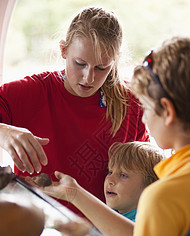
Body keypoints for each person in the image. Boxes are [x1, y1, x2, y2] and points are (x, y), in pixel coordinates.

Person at [41, 36, 190, 236]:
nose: (145, 118)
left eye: (146, 108)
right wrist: (74, 193)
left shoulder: (163, 197)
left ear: (167, 112)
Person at [0, 7, 149, 216]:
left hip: (106, 235)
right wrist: (3, 132)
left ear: (115, 61)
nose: (88, 78)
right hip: (37, 226)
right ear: (63, 50)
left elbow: (147, 179)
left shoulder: (132, 104)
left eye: (101, 68)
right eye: (80, 63)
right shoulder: (31, 92)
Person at [39, 141, 164, 236]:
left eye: (123, 175)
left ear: (150, 187)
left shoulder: (142, 223)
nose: (110, 180)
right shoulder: (108, 214)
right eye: (110, 172)